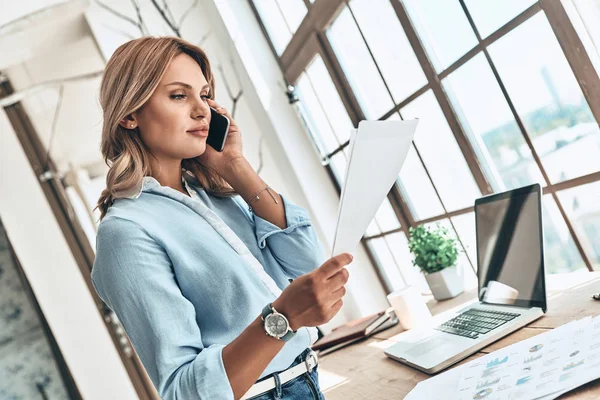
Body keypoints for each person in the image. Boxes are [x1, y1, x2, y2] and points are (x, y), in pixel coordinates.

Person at [91, 36, 352, 400]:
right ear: (129, 115)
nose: (203, 111)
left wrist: (235, 166)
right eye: (179, 96)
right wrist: (283, 318)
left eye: (205, 94)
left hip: (308, 378)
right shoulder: (126, 232)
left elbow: (307, 264)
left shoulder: (216, 196)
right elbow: (184, 390)